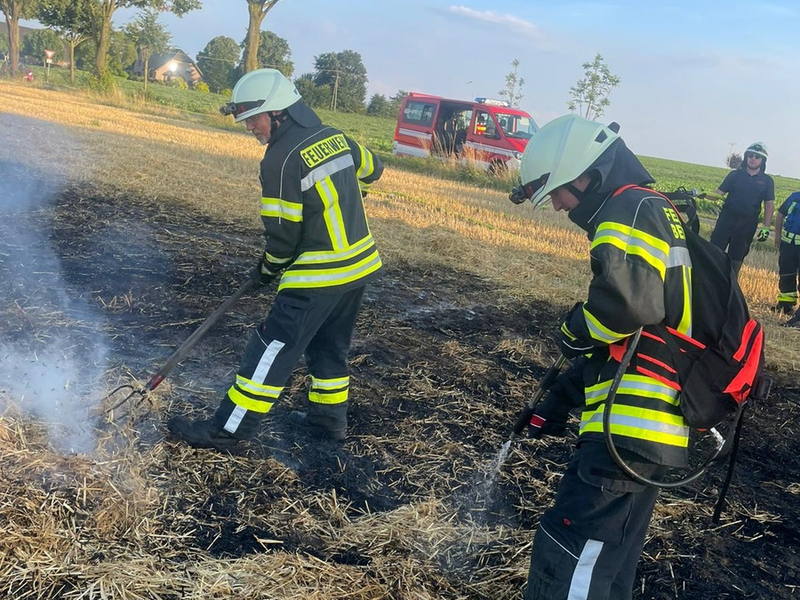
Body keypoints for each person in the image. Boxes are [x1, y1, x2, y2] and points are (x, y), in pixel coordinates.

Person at [509, 114, 694, 600]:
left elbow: (628, 308)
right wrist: (559, 399)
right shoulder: (653, 209)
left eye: (557, 192)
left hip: (628, 424)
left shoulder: (626, 210)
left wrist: (572, 329)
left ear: (584, 173)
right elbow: (631, 337)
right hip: (649, 422)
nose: (557, 205)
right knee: (606, 567)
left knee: (570, 554)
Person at [167, 68, 384, 450]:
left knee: (269, 351)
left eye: (253, 118)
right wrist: (351, 192)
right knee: (329, 350)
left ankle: (228, 432)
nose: (249, 127)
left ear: (280, 112)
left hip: (317, 278)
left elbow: (283, 241)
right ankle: (327, 424)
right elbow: (373, 170)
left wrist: (265, 271)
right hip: (358, 268)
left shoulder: (280, 160)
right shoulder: (335, 137)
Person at [708, 142, 774, 275]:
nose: (753, 158)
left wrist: (766, 227)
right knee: (713, 254)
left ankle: (730, 289)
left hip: (747, 226)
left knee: (736, 260)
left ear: (762, 161)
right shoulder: (735, 175)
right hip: (726, 221)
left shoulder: (767, 181)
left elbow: (769, 204)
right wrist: (702, 194)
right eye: (750, 155)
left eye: (757, 156)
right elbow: (719, 193)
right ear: (746, 157)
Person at [774, 191, 800, 315]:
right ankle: (785, 305)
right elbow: (780, 215)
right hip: (788, 244)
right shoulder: (795, 197)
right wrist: (777, 235)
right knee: (786, 274)